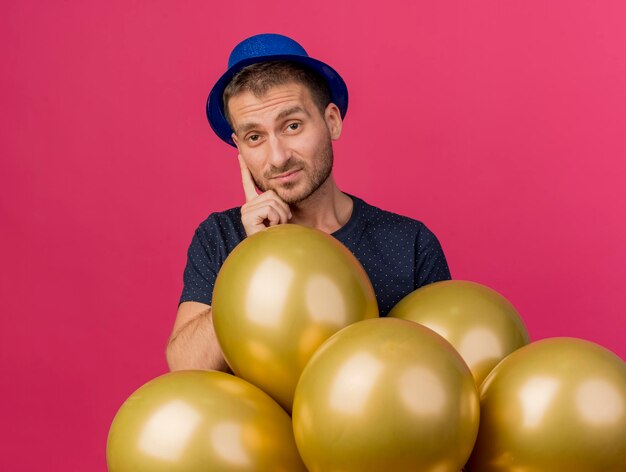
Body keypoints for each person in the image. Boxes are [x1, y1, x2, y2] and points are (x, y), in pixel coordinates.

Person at [166, 33, 451, 371]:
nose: (278, 157)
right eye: (254, 137)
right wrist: (257, 258)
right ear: (239, 147)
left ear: (331, 121)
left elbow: (443, 375)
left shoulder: (409, 243)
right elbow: (185, 368)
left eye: (292, 125)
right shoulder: (221, 236)